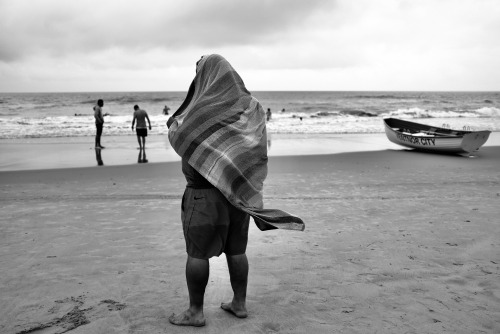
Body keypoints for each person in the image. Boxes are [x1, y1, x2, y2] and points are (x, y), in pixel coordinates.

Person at [167, 54, 304, 327]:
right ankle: (239, 304)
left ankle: (195, 312)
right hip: (238, 195)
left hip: (203, 194)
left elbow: (177, 135)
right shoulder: (251, 108)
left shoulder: (198, 108)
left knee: (197, 253)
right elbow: (256, 151)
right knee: (237, 250)